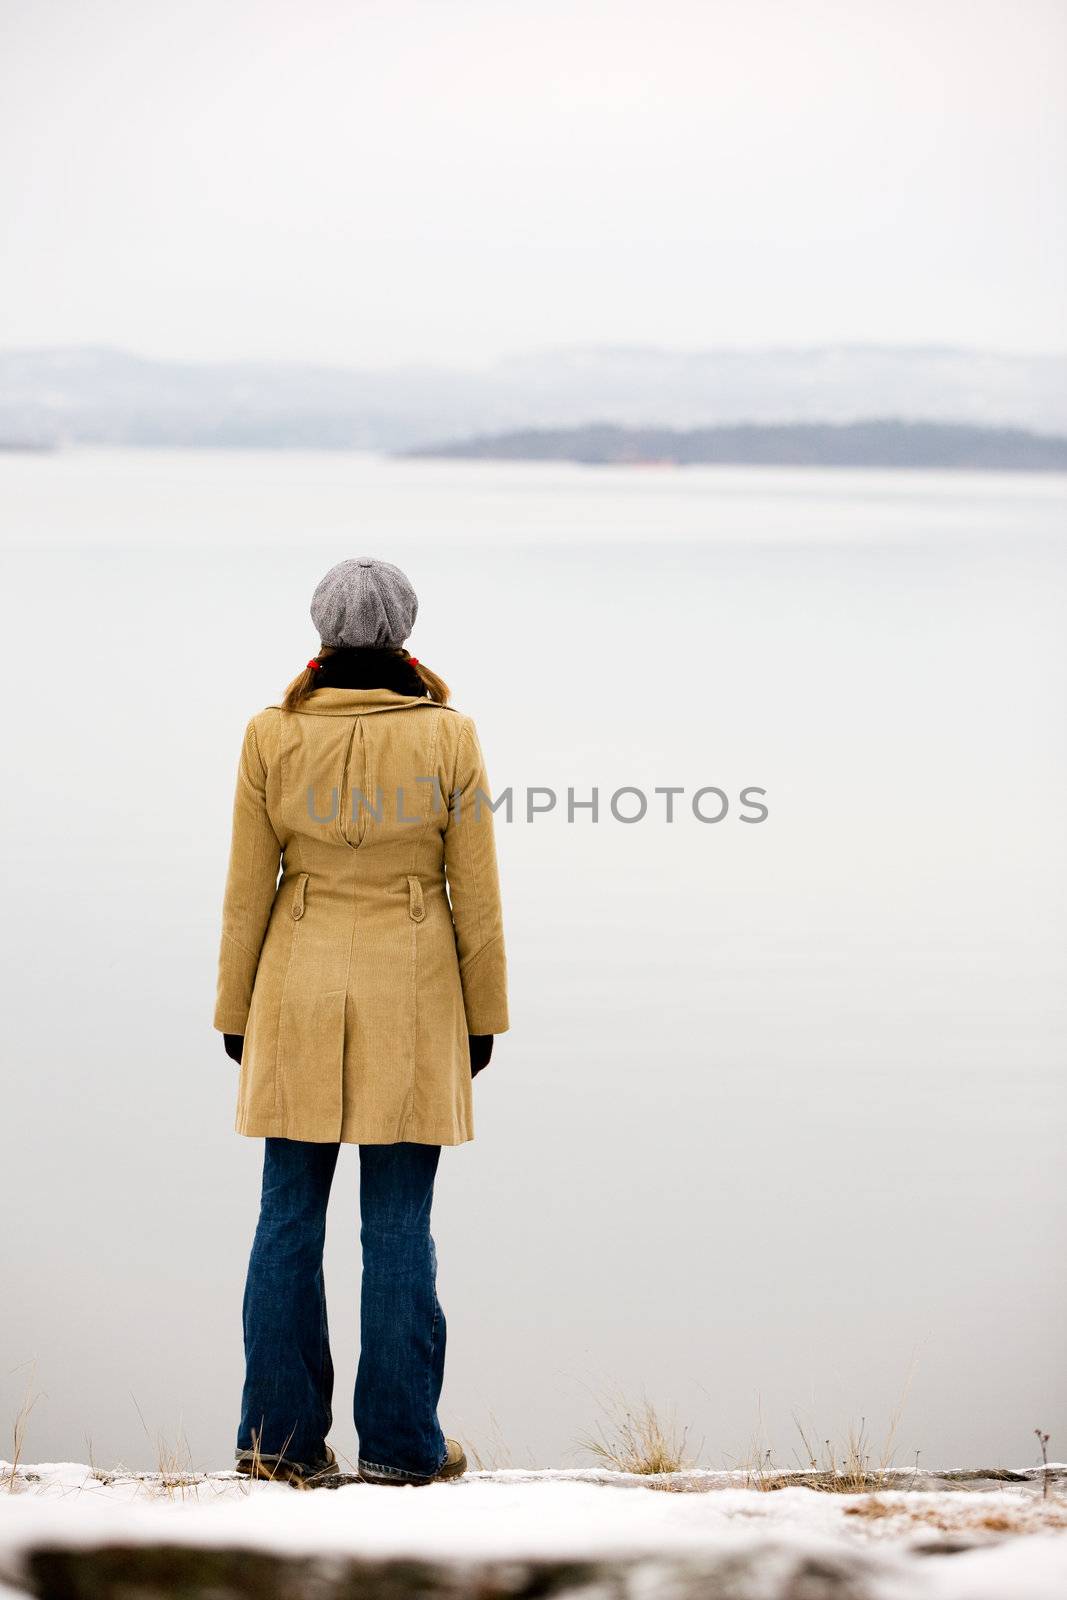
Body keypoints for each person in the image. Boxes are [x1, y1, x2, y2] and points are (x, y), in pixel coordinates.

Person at [213, 557, 508, 1487]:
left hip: (293, 984)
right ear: (405, 631)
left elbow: (244, 888)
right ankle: (400, 1446)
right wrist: (484, 1014)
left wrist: (234, 1010)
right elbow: (479, 893)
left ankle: (277, 1443)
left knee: (286, 1221)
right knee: (397, 1224)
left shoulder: (271, 732)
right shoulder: (448, 735)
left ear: (320, 630)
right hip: (414, 988)